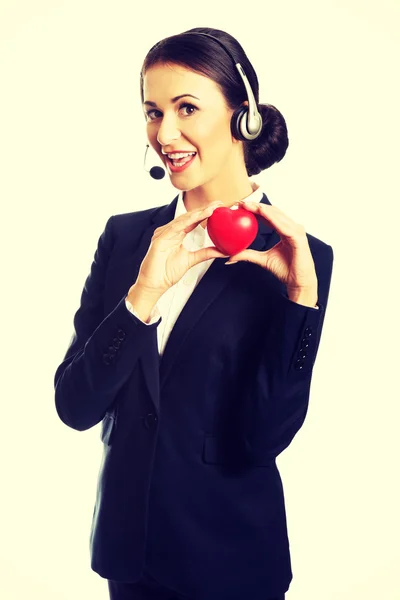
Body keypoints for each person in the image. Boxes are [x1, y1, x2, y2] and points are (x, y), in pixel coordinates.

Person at [54, 26, 334, 600]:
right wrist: (142, 298)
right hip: (129, 560)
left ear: (242, 118)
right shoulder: (126, 237)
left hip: (231, 563)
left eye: (187, 108)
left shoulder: (298, 255)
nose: (166, 133)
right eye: (153, 111)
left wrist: (300, 305)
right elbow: (75, 405)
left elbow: (262, 438)